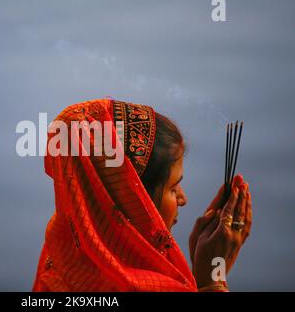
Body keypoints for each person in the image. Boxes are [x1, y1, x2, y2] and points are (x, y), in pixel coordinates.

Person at [32, 98, 252, 292]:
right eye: (173, 188)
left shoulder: (64, 249)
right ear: (135, 202)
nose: (183, 199)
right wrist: (214, 278)